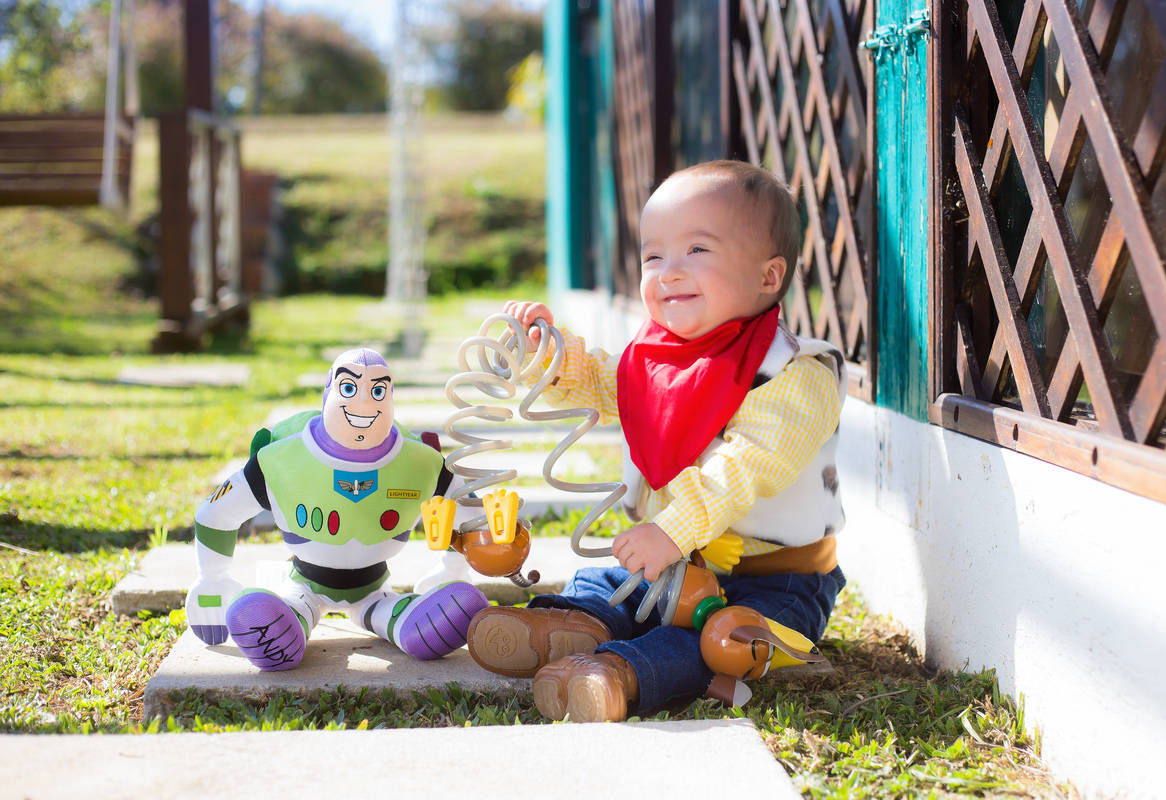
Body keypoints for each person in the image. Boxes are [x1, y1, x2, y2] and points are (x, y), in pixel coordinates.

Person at [465, 160, 848, 721]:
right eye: (653, 255)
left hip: (778, 580)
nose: (668, 271)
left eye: (697, 250)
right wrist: (546, 354)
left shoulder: (794, 373)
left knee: (722, 642)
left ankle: (617, 673)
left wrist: (672, 529)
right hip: (671, 566)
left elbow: (745, 466)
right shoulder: (659, 361)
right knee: (606, 582)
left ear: (769, 277)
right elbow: (603, 383)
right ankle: (574, 624)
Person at [184, 347, 488, 671]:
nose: (364, 404)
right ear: (331, 391)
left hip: (374, 589)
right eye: (348, 388)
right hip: (305, 586)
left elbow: (470, 514)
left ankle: (408, 623)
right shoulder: (280, 459)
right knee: (279, 611)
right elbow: (215, 513)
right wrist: (212, 581)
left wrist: (454, 569)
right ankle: (283, 622)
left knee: (431, 607)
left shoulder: (420, 462)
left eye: (378, 391)